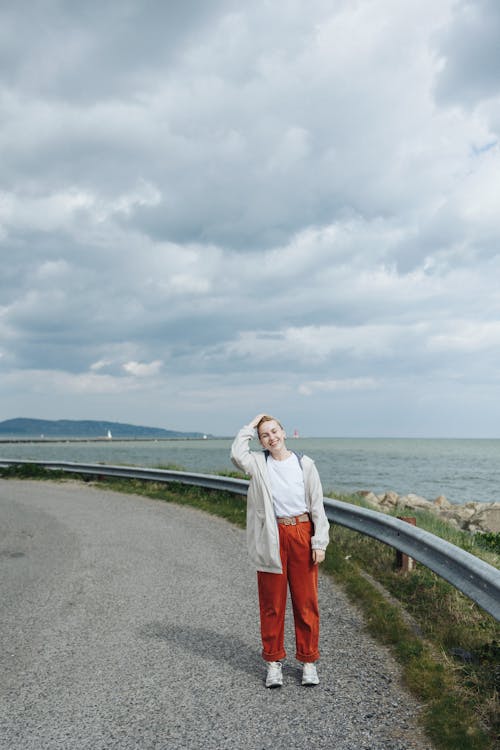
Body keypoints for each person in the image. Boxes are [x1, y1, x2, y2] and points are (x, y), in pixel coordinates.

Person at [231, 413, 330, 688]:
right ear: (261, 441)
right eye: (265, 435)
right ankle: (273, 662)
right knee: (272, 604)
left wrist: (319, 542)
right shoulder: (258, 464)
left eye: (274, 432)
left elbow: (318, 506)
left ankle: (308, 662)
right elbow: (237, 454)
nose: (271, 437)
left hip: (301, 531)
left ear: (284, 433)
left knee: (306, 602)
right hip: (272, 536)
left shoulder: (305, 465)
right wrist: (250, 425)